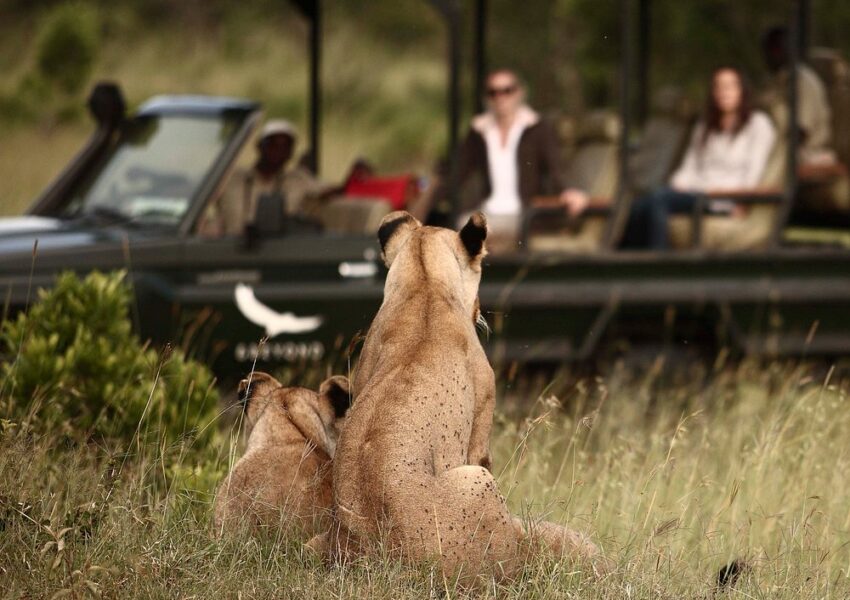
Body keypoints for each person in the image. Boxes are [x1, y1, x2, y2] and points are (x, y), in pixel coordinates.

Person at [621, 66, 777, 250]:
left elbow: (755, 170)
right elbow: (690, 167)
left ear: (742, 91)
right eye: (718, 87)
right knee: (639, 206)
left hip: (724, 198)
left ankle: (657, 261)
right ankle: (627, 260)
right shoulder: (705, 126)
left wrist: (744, 202)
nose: (723, 92)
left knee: (657, 201)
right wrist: (677, 185)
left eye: (730, 86)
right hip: (695, 194)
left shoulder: (758, 125)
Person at [456, 69, 589, 247]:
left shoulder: (537, 128)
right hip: (487, 210)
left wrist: (569, 190)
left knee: (472, 232)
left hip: (525, 215)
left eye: (507, 91)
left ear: (519, 92)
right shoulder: (480, 130)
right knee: (458, 226)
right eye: (493, 92)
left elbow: (556, 167)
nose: (500, 97)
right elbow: (457, 170)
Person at [200, 120, 332, 237]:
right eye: (273, 145)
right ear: (259, 146)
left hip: (278, 249)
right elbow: (200, 197)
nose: (278, 152)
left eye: (285, 147)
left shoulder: (298, 179)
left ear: (291, 152)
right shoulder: (233, 177)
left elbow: (329, 192)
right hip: (232, 247)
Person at [762, 26, 834, 166]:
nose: (770, 55)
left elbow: (800, 132)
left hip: (804, 152)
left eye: (776, 50)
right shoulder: (776, 81)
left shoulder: (803, 81)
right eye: (768, 50)